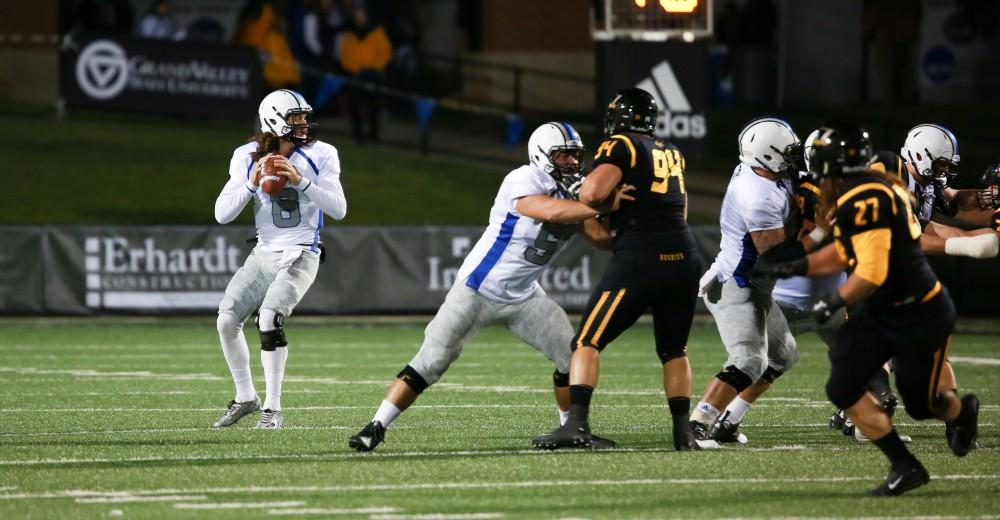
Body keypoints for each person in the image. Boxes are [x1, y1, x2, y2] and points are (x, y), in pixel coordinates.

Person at [348, 122, 632, 451]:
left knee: (572, 358)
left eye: (574, 155)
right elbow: (549, 210)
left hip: (525, 295)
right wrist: (597, 205)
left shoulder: (578, 193)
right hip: (477, 289)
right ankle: (376, 426)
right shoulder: (524, 178)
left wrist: (617, 213)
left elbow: (598, 238)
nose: (570, 162)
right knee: (431, 361)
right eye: (562, 155)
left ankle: (570, 429)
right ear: (542, 156)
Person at [756, 123, 979, 496]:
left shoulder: (867, 199)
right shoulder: (859, 192)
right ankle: (904, 465)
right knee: (842, 385)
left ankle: (961, 412)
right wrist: (798, 266)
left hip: (918, 310)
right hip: (882, 310)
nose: (815, 179)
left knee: (923, 405)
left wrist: (834, 300)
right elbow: (845, 251)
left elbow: (871, 271)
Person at [532, 88, 704, 451]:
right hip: (684, 255)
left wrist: (601, 200)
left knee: (587, 341)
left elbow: (593, 192)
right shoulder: (671, 152)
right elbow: (681, 210)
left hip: (642, 254)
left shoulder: (619, 145)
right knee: (674, 350)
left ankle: (576, 424)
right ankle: (683, 433)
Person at [711, 132, 901, 445]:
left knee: (851, 355)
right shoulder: (820, 192)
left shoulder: (792, 182)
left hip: (800, 293)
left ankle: (728, 419)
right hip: (809, 294)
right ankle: (720, 419)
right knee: (773, 361)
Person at [212, 89, 347, 429]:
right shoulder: (246, 156)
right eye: (296, 118)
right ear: (275, 120)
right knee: (227, 321)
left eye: (303, 116)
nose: (303, 124)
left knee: (269, 318)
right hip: (264, 251)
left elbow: (339, 209)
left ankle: (273, 407)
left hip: (303, 251)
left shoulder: (323, 153)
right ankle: (246, 397)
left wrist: (301, 182)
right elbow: (221, 214)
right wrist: (250, 183)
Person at [688, 118, 827, 446]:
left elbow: (806, 179)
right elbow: (777, 257)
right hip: (736, 284)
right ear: (766, 156)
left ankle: (728, 421)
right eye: (788, 153)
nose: (795, 159)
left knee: (784, 356)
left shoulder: (771, 170)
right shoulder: (757, 195)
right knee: (749, 360)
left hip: (757, 285)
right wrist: (821, 231)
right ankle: (696, 425)